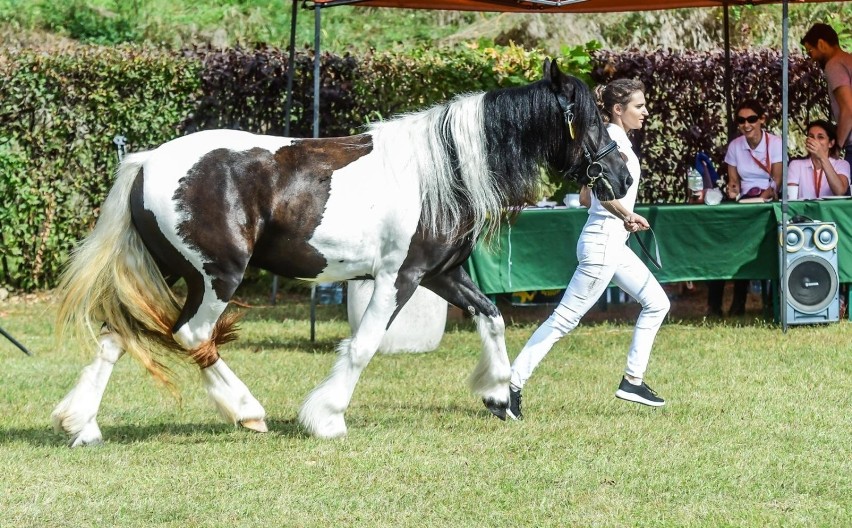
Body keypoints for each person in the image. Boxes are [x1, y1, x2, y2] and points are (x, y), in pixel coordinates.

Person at [506, 79, 670, 420]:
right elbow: (602, 196)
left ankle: (633, 380)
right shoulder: (612, 143)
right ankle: (510, 386)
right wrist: (628, 214)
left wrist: (619, 214)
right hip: (603, 244)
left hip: (610, 241)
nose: (645, 111)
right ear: (617, 110)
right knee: (562, 321)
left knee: (657, 303)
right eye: (638, 106)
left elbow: (585, 196)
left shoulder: (608, 142)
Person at [707, 98, 783, 317]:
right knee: (729, 248)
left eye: (751, 119)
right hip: (744, 204)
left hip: (768, 204)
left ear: (762, 120)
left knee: (754, 250)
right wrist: (733, 191)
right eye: (741, 120)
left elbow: (777, 179)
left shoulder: (775, 143)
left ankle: (743, 303)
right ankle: (718, 305)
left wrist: (767, 194)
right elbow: (734, 181)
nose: (746, 124)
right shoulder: (735, 146)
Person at [801, 23, 852, 165]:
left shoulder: (834, 65)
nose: (811, 58)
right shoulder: (849, 60)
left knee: (842, 187)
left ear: (821, 44)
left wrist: (837, 148)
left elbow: (848, 109)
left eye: (810, 51)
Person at [788, 119, 851, 199]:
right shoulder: (796, 165)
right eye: (811, 136)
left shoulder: (842, 164)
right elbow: (791, 198)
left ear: (831, 143)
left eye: (820, 137)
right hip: (804, 211)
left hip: (829, 211)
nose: (815, 141)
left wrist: (822, 157)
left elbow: (840, 191)